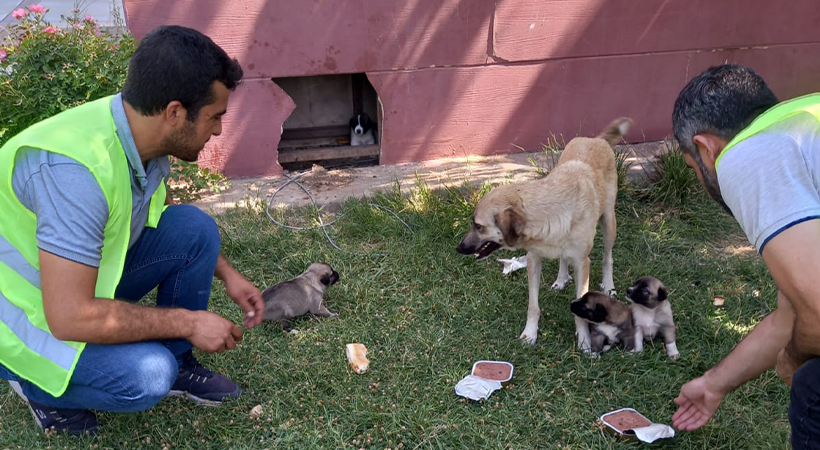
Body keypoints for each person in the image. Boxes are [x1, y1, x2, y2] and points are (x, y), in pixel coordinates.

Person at [0, 25, 265, 436]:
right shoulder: (75, 174)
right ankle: (38, 387)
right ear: (175, 113)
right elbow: (68, 318)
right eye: (215, 117)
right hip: (24, 319)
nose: (217, 130)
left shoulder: (140, 131)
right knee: (148, 375)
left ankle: (180, 362)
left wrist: (227, 273)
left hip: (68, 288)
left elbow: (153, 215)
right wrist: (189, 323)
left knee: (194, 227)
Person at [670, 64, 820, 448]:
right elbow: (793, 314)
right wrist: (714, 384)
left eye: (693, 168)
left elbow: (818, 313)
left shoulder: (746, 154)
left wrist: (793, 357)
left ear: (705, 147)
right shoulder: (799, 128)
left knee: (812, 384)